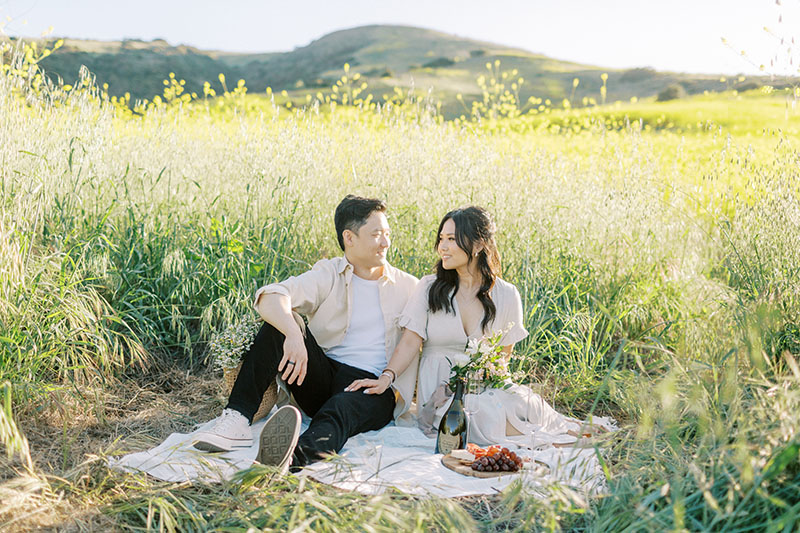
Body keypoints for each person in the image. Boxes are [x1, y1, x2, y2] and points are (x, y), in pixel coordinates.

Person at [347, 206, 609, 446]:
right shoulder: (429, 288)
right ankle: (556, 441)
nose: (443, 247)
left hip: (484, 386)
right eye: (441, 239)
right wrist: (386, 378)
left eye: (451, 239)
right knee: (476, 414)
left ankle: (565, 429)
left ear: (477, 244)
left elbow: (502, 364)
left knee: (521, 400)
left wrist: (487, 379)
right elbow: (409, 341)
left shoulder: (507, 294)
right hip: (442, 394)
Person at [193, 195, 419, 472]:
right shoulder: (329, 273)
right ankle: (237, 418)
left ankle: (292, 458)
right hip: (323, 376)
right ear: (349, 237)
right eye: (376, 235)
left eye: (387, 234)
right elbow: (271, 296)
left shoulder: (410, 287)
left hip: (372, 386)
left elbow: (417, 340)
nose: (385, 243)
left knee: (340, 410)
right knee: (279, 326)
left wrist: (388, 378)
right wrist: (293, 335)